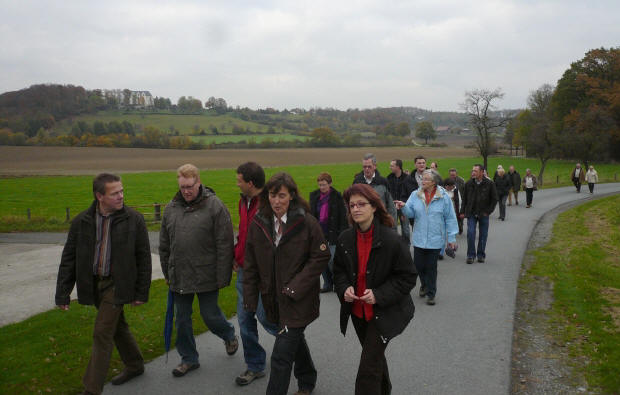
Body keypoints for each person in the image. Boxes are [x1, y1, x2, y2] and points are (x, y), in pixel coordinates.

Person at [55, 173, 152, 395]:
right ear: (100, 196)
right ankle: (135, 365)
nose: (121, 196)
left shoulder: (134, 220)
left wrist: (141, 292)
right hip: (94, 284)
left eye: (122, 191)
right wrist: (63, 294)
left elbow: (143, 258)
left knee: (102, 332)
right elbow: (69, 259)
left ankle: (91, 389)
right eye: (115, 193)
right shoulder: (82, 222)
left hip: (119, 284)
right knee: (117, 327)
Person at [243, 172, 330, 395]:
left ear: (291, 196)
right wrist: (251, 299)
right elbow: (250, 264)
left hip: (298, 299)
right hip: (272, 299)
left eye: (282, 196)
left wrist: (295, 286)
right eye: (272, 195)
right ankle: (307, 378)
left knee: (281, 355)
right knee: (293, 340)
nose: (277, 201)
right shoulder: (258, 223)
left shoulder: (307, 223)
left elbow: (321, 256)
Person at [334, 183, 417, 394]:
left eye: (361, 204)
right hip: (357, 313)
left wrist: (379, 295)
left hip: (384, 314)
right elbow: (339, 272)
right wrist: (345, 289)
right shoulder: (345, 239)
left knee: (367, 369)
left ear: (374, 207)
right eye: (352, 205)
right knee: (373, 358)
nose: (356, 209)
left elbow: (407, 277)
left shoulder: (392, 241)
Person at [159, 164, 238, 378]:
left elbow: (224, 243)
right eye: (183, 186)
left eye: (190, 186)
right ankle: (189, 359)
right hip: (180, 276)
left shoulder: (215, 206)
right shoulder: (171, 208)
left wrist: (223, 276)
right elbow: (164, 245)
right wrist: (167, 272)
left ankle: (228, 334)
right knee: (182, 319)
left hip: (207, 274)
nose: (186, 191)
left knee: (210, 315)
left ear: (198, 182)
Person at [234, 162, 279, 386]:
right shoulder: (244, 201)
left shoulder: (269, 205)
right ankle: (255, 365)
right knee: (244, 319)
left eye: (239, 180)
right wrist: (237, 254)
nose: (237, 183)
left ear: (250, 183)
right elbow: (243, 233)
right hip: (244, 271)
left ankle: (293, 346)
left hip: (265, 273)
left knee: (266, 317)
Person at [400, 170, 458, 305]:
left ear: (433, 182)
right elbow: (410, 213)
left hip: (435, 238)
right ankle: (424, 284)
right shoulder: (415, 194)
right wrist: (403, 207)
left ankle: (431, 293)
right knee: (419, 265)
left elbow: (450, 218)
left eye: (425, 179)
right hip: (419, 238)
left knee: (431, 267)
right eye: (422, 179)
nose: (422, 181)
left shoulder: (443, 197)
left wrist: (452, 238)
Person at [309, 172, 348, 293]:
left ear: (330, 184)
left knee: (332, 260)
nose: (322, 187)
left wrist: (342, 233)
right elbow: (311, 215)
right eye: (320, 185)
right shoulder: (314, 196)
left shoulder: (337, 196)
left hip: (333, 234)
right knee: (321, 260)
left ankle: (338, 282)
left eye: (324, 185)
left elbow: (343, 217)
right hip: (319, 234)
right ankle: (327, 283)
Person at [460, 164, 498, 264]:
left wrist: (488, 211)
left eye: (475, 171)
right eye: (472, 171)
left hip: (483, 213)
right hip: (471, 213)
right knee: (471, 233)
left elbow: (494, 199)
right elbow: (464, 199)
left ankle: (481, 255)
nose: (473, 173)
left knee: (483, 235)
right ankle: (470, 255)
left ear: (482, 172)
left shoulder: (489, 184)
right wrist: (462, 211)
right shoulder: (468, 184)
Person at [352, 153, 398, 226]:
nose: (366, 169)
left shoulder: (383, 182)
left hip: (381, 223)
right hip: (363, 224)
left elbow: (390, 206)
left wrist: (392, 225)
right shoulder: (357, 182)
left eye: (369, 167)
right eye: (364, 167)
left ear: (375, 166)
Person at [386, 159, 411, 242]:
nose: (390, 167)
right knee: (393, 228)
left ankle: (406, 249)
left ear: (398, 167)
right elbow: (387, 192)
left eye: (392, 166)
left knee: (405, 230)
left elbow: (410, 193)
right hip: (392, 207)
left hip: (403, 207)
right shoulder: (388, 178)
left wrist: (403, 203)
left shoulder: (407, 178)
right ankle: (396, 248)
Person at [444, 168, 465, 234]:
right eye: (451, 175)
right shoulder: (446, 182)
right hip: (450, 206)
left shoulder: (461, 181)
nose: (452, 176)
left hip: (459, 200)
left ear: (456, 174)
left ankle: (460, 226)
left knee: (459, 217)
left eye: (454, 175)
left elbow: (464, 191)